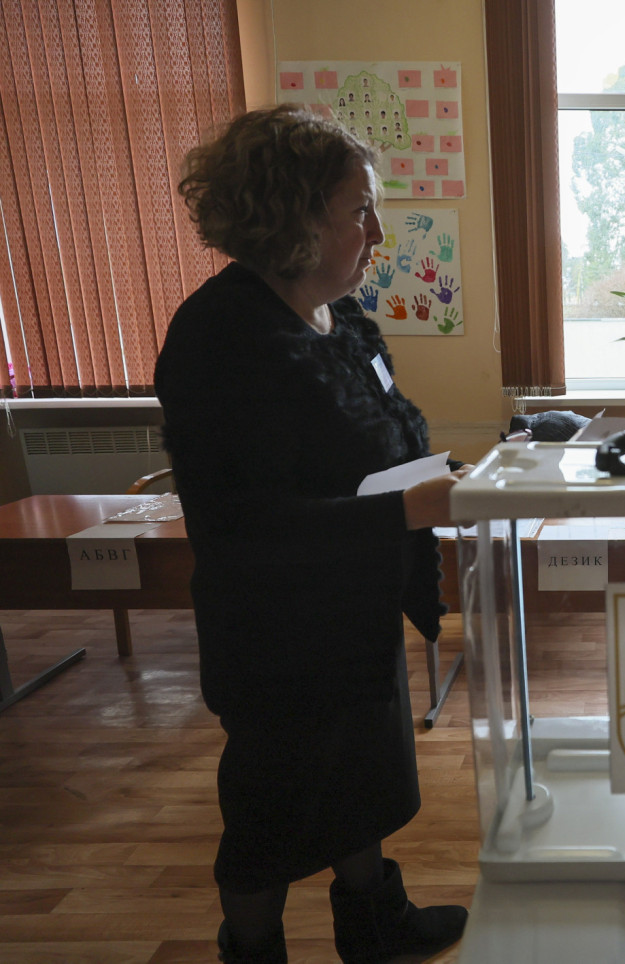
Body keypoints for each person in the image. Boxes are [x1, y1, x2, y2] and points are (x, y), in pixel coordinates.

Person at [155, 105, 468, 963]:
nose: (376, 229)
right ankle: (253, 951)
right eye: (358, 208)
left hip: (352, 606)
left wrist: (436, 482)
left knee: (358, 782)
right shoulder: (221, 336)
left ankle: (374, 924)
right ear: (294, 215)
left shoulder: (344, 321)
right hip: (276, 633)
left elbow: (384, 438)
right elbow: (238, 526)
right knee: (271, 812)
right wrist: (407, 510)